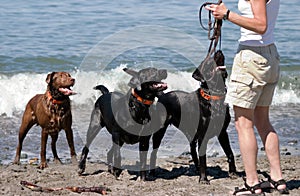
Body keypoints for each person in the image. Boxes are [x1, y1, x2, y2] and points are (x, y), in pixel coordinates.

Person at [206, 0, 289, 195]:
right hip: (269, 55)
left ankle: (252, 182)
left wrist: (227, 14)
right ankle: (277, 178)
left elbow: (261, 25)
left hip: (252, 56)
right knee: (263, 121)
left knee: (243, 123)